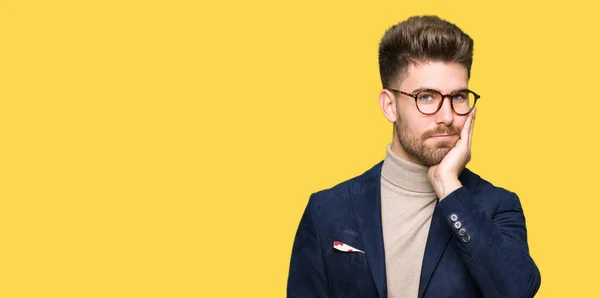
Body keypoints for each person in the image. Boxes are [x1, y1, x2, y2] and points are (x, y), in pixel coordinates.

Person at [287, 15, 541, 298]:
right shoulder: (327, 210)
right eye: (426, 97)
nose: (447, 117)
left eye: (458, 97)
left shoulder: (497, 206)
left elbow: (518, 291)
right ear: (389, 106)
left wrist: (449, 187)